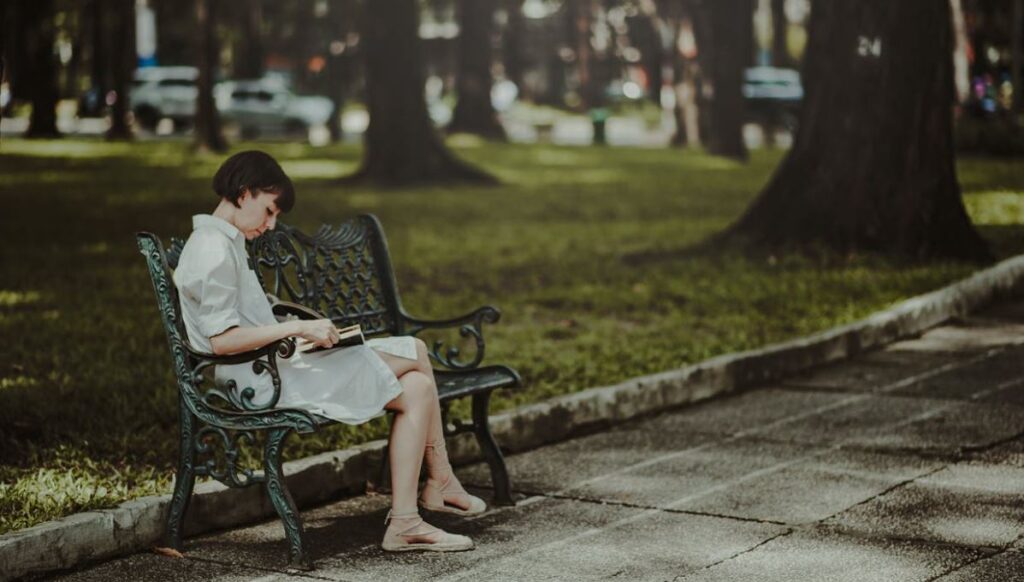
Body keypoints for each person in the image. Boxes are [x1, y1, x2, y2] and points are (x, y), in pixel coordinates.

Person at [172, 150, 485, 552]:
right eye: (268, 211)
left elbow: (242, 320)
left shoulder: (223, 241)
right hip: (254, 380)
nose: (270, 226)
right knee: (415, 350)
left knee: (420, 388)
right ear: (244, 192)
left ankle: (407, 521)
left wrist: (299, 333)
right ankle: (439, 481)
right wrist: (298, 327)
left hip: (271, 365)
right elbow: (221, 341)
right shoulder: (213, 248)